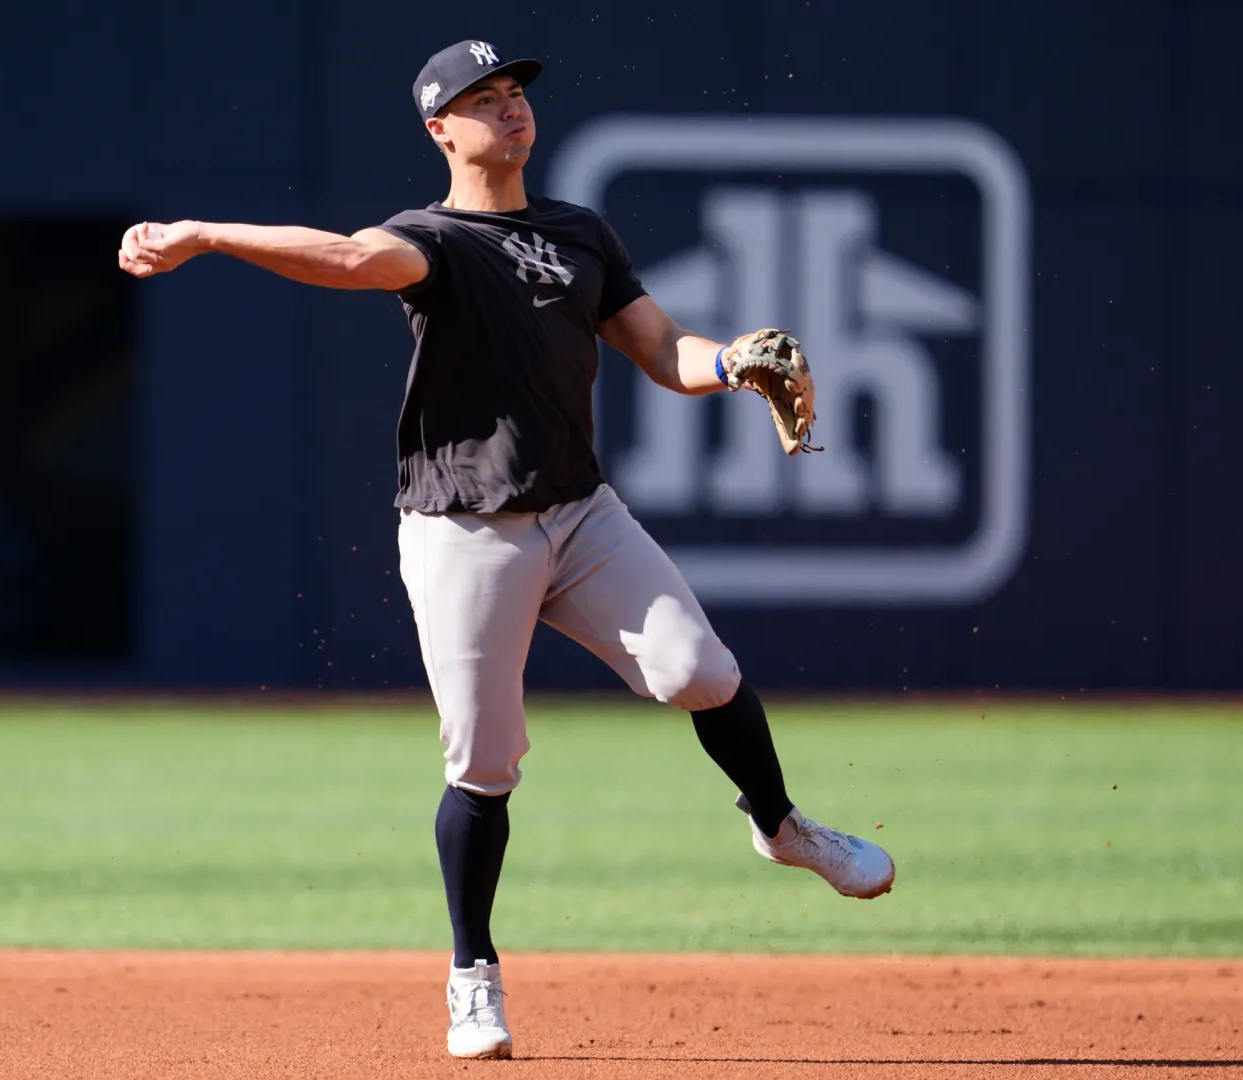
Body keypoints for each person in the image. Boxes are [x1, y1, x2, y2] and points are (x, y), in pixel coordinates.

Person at [118, 38, 895, 1062]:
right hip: (463, 530)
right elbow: (351, 258)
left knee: (701, 670)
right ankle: (471, 976)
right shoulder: (430, 240)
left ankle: (782, 826)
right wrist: (209, 235)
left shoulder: (580, 233)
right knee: (486, 762)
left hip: (580, 513)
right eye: (481, 99)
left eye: (514, 91)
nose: (510, 109)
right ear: (441, 128)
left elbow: (664, 351)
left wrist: (736, 364)